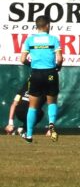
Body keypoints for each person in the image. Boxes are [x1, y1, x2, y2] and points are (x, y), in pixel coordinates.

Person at [19, 15, 62, 143]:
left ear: (36, 26)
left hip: (36, 74)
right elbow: (59, 58)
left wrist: (32, 65)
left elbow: (22, 59)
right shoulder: (53, 39)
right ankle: (51, 125)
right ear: (48, 25)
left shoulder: (29, 40)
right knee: (52, 102)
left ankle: (29, 135)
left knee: (32, 106)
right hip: (50, 73)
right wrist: (57, 67)